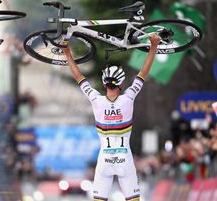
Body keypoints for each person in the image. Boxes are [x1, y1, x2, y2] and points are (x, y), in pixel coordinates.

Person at [62, 34, 161, 201]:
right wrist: (154, 46)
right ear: (121, 84)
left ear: (104, 83)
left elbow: (79, 76)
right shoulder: (128, 97)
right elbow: (144, 71)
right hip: (125, 159)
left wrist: (67, 53)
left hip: (104, 160)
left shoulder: (96, 99)